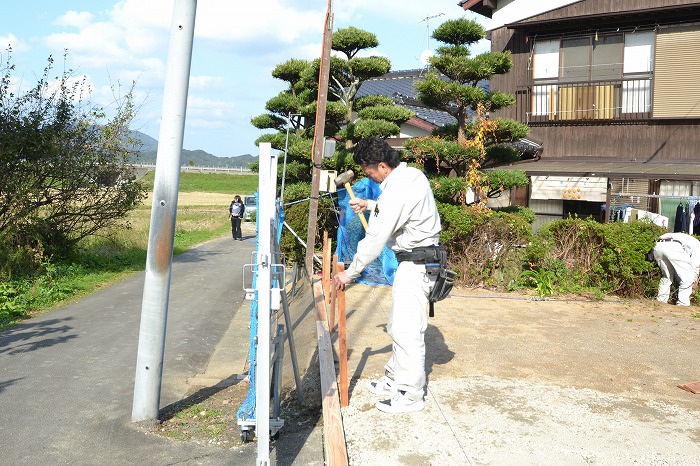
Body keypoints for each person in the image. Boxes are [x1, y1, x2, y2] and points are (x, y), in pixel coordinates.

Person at [333, 136, 442, 414]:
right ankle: (395, 379)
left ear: (382, 166)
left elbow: (375, 237)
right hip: (418, 262)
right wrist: (369, 205)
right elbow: (397, 209)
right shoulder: (410, 176)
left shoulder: (397, 189)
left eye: (369, 171)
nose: (369, 175)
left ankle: (410, 394)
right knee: (397, 325)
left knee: (407, 332)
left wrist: (351, 272)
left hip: (417, 264)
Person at [652, 232, 700, 306]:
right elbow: (694, 267)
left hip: (658, 245)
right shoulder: (698, 246)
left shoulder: (693, 241)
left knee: (667, 276)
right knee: (688, 278)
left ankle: (661, 301)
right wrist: (694, 282)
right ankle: (683, 303)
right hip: (673, 246)